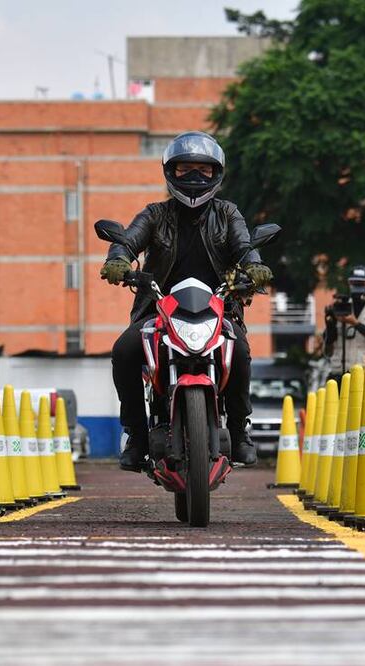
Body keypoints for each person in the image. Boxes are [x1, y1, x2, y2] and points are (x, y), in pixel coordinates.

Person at [100, 131, 273, 472]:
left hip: (218, 308)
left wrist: (254, 266)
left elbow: (243, 245)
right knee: (124, 351)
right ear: (171, 172)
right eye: (185, 169)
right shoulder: (155, 214)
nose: (194, 176)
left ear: (216, 173)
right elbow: (128, 240)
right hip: (159, 309)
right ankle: (136, 435)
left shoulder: (228, 213)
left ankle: (240, 431)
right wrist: (118, 258)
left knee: (239, 351)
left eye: (203, 170)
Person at [323, 265, 365, 379]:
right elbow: (329, 342)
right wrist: (330, 322)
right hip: (341, 373)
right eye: (354, 283)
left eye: (362, 283)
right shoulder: (342, 305)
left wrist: (355, 323)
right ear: (349, 284)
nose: (358, 286)